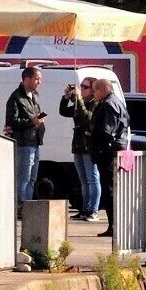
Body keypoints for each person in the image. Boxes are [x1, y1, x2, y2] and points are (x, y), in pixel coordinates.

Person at [82, 77, 127, 234]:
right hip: (115, 150)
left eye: (94, 91)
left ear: (102, 90)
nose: (93, 94)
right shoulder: (117, 102)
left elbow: (106, 131)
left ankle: (113, 227)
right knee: (112, 189)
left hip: (108, 152)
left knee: (109, 190)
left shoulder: (107, 105)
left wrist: (93, 137)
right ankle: (114, 226)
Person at [59, 76, 102, 221]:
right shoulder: (81, 102)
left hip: (89, 146)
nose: (82, 89)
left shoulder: (95, 104)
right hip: (78, 145)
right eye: (81, 86)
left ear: (93, 90)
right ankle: (85, 209)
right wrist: (66, 97)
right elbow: (64, 111)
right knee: (83, 180)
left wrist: (79, 100)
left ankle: (93, 210)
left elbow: (88, 118)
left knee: (92, 179)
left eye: (85, 87)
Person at [4, 65, 47, 206]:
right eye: (37, 79)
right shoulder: (16, 97)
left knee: (32, 178)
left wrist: (39, 121)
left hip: (35, 140)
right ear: (26, 79)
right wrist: (31, 122)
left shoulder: (35, 95)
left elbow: (35, 114)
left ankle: (27, 207)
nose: (39, 82)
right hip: (24, 143)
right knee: (24, 178)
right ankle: (20, 207)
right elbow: (11, 121)